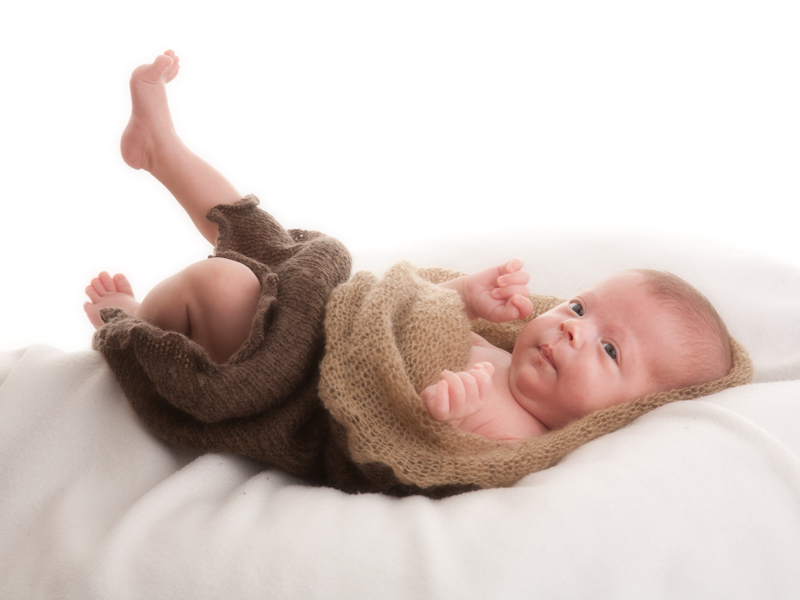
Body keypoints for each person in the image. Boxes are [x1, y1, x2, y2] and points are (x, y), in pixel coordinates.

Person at [84, 51, 732, 444]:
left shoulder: (521, 432)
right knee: (264, 238)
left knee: (224, 285)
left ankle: (132, 324)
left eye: (610, 350)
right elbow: (411, 314)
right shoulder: (507, 352)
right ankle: (161, 149)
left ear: (628, 414)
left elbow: (414, 445)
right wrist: (463, 296)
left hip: (295, 379)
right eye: (581, 309)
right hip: (326, 319)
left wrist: (449, 415)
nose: (571, 330)